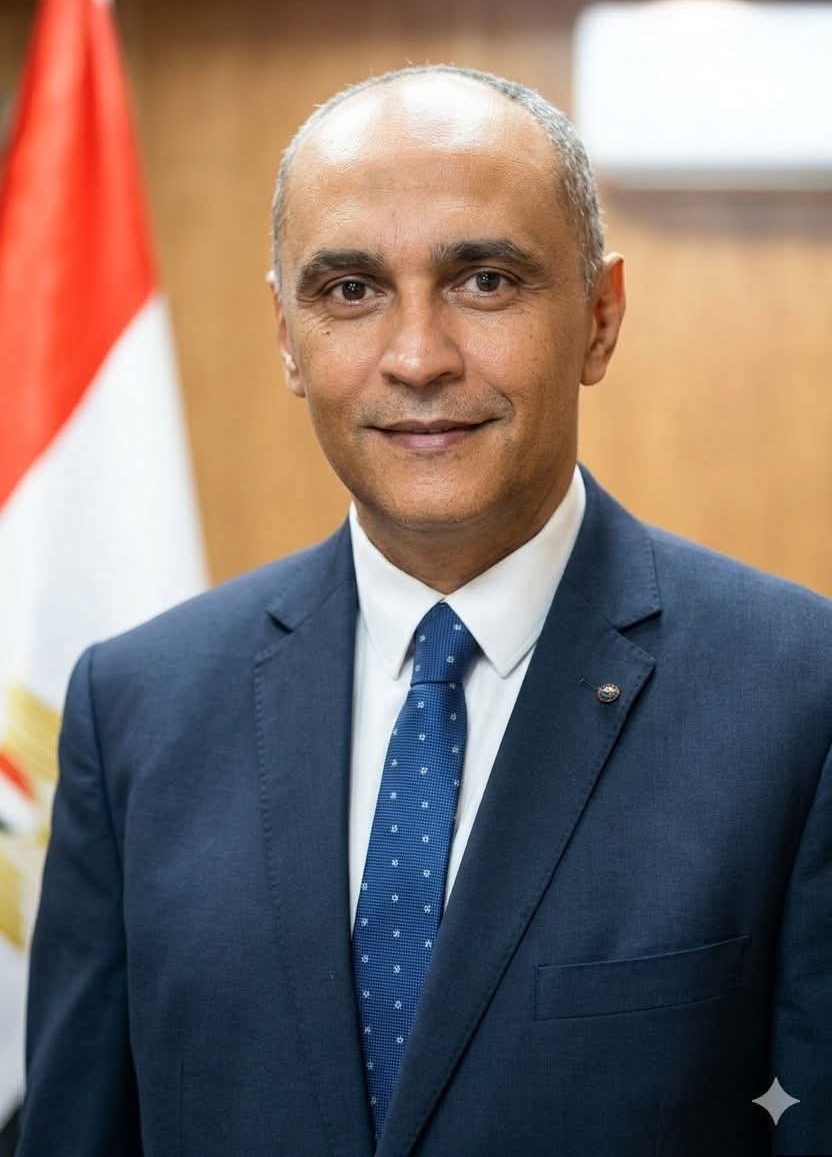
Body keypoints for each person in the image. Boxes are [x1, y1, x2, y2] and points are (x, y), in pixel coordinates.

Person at [18, 65, 832, 1157]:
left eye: (484, 280)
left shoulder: (799, 697)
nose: (416, 358)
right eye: (351, 291)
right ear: (287, 335)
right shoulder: (134, 711)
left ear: (599, 318)